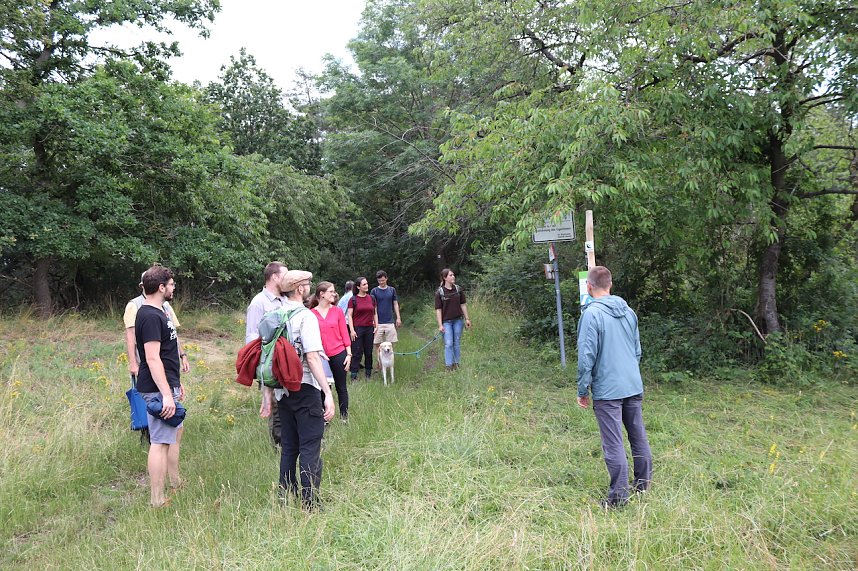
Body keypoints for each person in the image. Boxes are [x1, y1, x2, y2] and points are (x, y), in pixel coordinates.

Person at [576, 266, 652, 508]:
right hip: (632, 383)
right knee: (637, 435)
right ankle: (642, 485)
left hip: (608, 389)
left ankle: (618, 498)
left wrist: (582, 389)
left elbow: (586, 356)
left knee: (613, 442)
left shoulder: (591, 314)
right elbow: (637, 350)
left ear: (589, 287)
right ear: (610, 285)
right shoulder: (629, 311)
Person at [259, 270, 335, 509]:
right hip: (305, 387)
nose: (308, 287)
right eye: (307, 285)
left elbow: (267, 357)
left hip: (283, 391)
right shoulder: (306, 317)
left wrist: (267, 396)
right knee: (310, 445)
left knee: (289, 446)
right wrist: (328, 394)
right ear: (300, 289)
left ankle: (285, 496)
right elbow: (312, 358)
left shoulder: (274, 315)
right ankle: (310, 502)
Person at [135, 266, 185, 507]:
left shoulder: (160, 311)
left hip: (166, 384)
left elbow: (167, 353)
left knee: (171, 436)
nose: (174, 288)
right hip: (156, 388)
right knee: (160, 441)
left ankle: (172, 485)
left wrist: (175, 385)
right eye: (171, 284)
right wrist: (166, 394)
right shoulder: (150, 316)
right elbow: (153, 358)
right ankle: (157, 499)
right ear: (161, 287)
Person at [245, 261, 289, 445]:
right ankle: (278, 447)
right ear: (275, 277)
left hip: (288, 362)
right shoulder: (258, 303)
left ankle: (289, 443)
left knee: (287, 404)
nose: (287, 280)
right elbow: (252, 338)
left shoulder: (286, 300)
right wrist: (261, 369)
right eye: (284, 276)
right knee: (275, 407)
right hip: (270, 365)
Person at [124, 272, 190, 378]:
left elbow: (172, 334)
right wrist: (133, 364)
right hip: (147, 364)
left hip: (168, 363)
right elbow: (131, 337)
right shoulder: (134, 305)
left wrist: (182, 355)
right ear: (142, 286)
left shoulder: (166, 305)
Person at [310, 282, 351, 420]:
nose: (334, 294)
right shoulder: (311, 314)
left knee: (341, 386)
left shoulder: (337, 311)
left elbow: (344, 333)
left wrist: (349, 354)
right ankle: (325, 418)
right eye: (331, 292)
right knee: (323, 387)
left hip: (339, 352)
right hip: (321, 356)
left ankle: (344, 417)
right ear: (321, 294)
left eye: (334, 291)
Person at [434, 268, 471, 371]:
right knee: (449, 343)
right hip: (446, 322)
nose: (453, 277)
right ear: (445, 278)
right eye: (450, 275)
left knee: (457, 343)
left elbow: (463, 304)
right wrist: (440, 325)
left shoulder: (458, 289)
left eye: (453, 275)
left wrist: (467, 319)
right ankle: (448, 366)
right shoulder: (440, 293)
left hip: (458, 320)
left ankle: (456, 364)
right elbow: (438, 310)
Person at [347, 277, 377, 380]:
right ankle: (354, 375)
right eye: (364, 284)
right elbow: (349, 315)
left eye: (367, 284)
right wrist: (352, 330)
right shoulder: (353, 299)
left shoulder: (371, 298)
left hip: (369, 328)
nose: (366, 286)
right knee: (357, 352)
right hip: (358, 328)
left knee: (368, 352)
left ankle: (368, 374)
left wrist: (376, 326)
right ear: (358, 286)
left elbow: (374, 313)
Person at [371, 270, 401, 364]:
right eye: (379, 281)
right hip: (378, 322)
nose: (381, 282)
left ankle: (390, 361)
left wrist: (398, 317)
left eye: (383, 280)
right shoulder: (374, 291)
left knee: (391, 343)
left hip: (389, 321)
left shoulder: (392, 290)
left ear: (386, 279)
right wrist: (373, 320)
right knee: (377, 344)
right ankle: (379, 362)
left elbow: (395, 303)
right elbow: (373, 307)